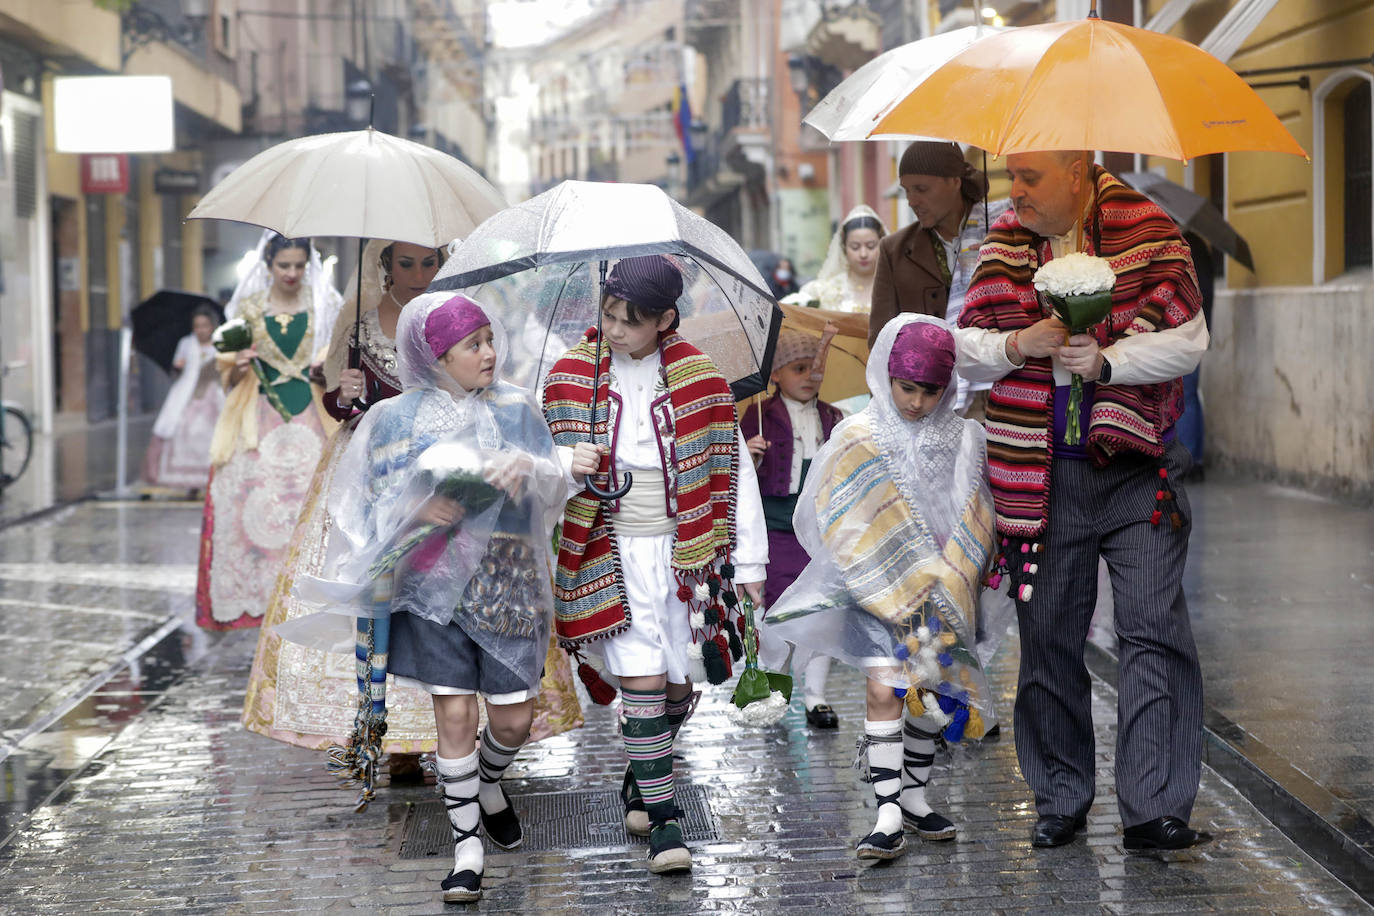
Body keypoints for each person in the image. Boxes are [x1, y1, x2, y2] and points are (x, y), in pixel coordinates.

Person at [957, 151, 1211, 851]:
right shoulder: (1003, 244)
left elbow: (1191, 341)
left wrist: (1109, 364)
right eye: (1012, 176)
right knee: (1049, 641)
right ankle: (1060, 795)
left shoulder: (1150, 229)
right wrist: (1017, 343)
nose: (1016, 192)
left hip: (1138, 470)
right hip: (1041, 479)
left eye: (1030, 177)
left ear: (1076, 171)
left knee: (1154, 630)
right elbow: (965, 348)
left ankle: (1156, 808)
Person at [306, 293, 596, 904]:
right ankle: (468, 848)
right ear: (435, 357)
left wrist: (544, 466)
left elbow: (551, 487)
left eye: (491, 339)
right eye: (474, 345)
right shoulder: (392, 420)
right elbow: (361, 507)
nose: (490, 353)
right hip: (429, 591)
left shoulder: (518, 409)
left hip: (509, 585)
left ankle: (489, 781)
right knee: (457, 714)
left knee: (514, 719)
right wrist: (415, 508)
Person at [543, 255, 768, 875]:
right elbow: (543, 471)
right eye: (609, 315)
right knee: (640, 679)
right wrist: (569, 464)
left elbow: (732, 471)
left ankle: (644, 780)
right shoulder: (569, 377)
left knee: (677, 683)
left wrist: (749, 560)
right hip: (608, 549)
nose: (615, 329)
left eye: (632, 320)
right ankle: (667, 826)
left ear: (666, 319)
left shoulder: (702, 379)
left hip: (686, 556)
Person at [762, 314, 1000, 859]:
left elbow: (977, 511)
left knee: (930, 689)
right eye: (906, 387)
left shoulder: (967, 438)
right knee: (886, 686)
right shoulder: (857, 434)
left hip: (943, 589)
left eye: (930, 390)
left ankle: (915, 797)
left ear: (949, 387)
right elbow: (829, 511)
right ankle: (887, 808)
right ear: (887, 376)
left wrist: (959, 568)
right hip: (879, 587)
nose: (916, 401)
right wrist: (882, 560)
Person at [196, 233, 343, 630]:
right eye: (284, 266)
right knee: (249, 500)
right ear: (269, 266)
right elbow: (225, 370)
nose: (292, 273)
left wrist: (326, 365)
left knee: (309, 503)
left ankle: (306, 595)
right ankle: (257, 596)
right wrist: (240, 364)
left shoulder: (326, 305)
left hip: (313, 412)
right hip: (258, 415)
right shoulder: (248, 308)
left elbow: (342, 355)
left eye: (298, 265)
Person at [741, 328, 844, 729]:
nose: (810, 377)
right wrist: (748, 454)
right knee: (778, 611)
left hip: (820, 534)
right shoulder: (758, 416)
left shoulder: (834, 417)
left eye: (816, 369)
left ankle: (816, 696)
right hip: (776, 530)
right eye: (799, 369)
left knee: (823, 612)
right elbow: (739, 477)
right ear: (776, 375)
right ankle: (772, 688)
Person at [869, 140, 1010, 418]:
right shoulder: (894, 250)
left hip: (1001, 389)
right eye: (907, 191)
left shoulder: (1001, 230)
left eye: (921, 189)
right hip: (927, 406)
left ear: (954, 182)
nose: (912, 201)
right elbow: (880, 342)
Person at [141, 305, 225, 493]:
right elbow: (177, 368)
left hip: (212, 395)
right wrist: (178, 367)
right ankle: (188, 481)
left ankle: (209, 478)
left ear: (212, 326)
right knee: (180, 430)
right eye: (197, 326)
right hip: (185, 394)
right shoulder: (186, 343)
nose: (201, 330)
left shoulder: (221, 344)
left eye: (205, 325)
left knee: (208, 434)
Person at [791, 206, 888, 313]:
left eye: (871, 246)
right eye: (855, 247)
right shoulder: (820, 292)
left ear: (882, 245)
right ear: (844, 248)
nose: (863, 254)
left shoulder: (895, 289)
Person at [1176, 230, 1214, 477]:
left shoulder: (1185, 245)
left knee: (1186, 397)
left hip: (1186, 331)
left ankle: (1189, 459)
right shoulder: (1199, 244)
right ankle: (1196, 457)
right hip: (1197, 330)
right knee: (1191, 396)